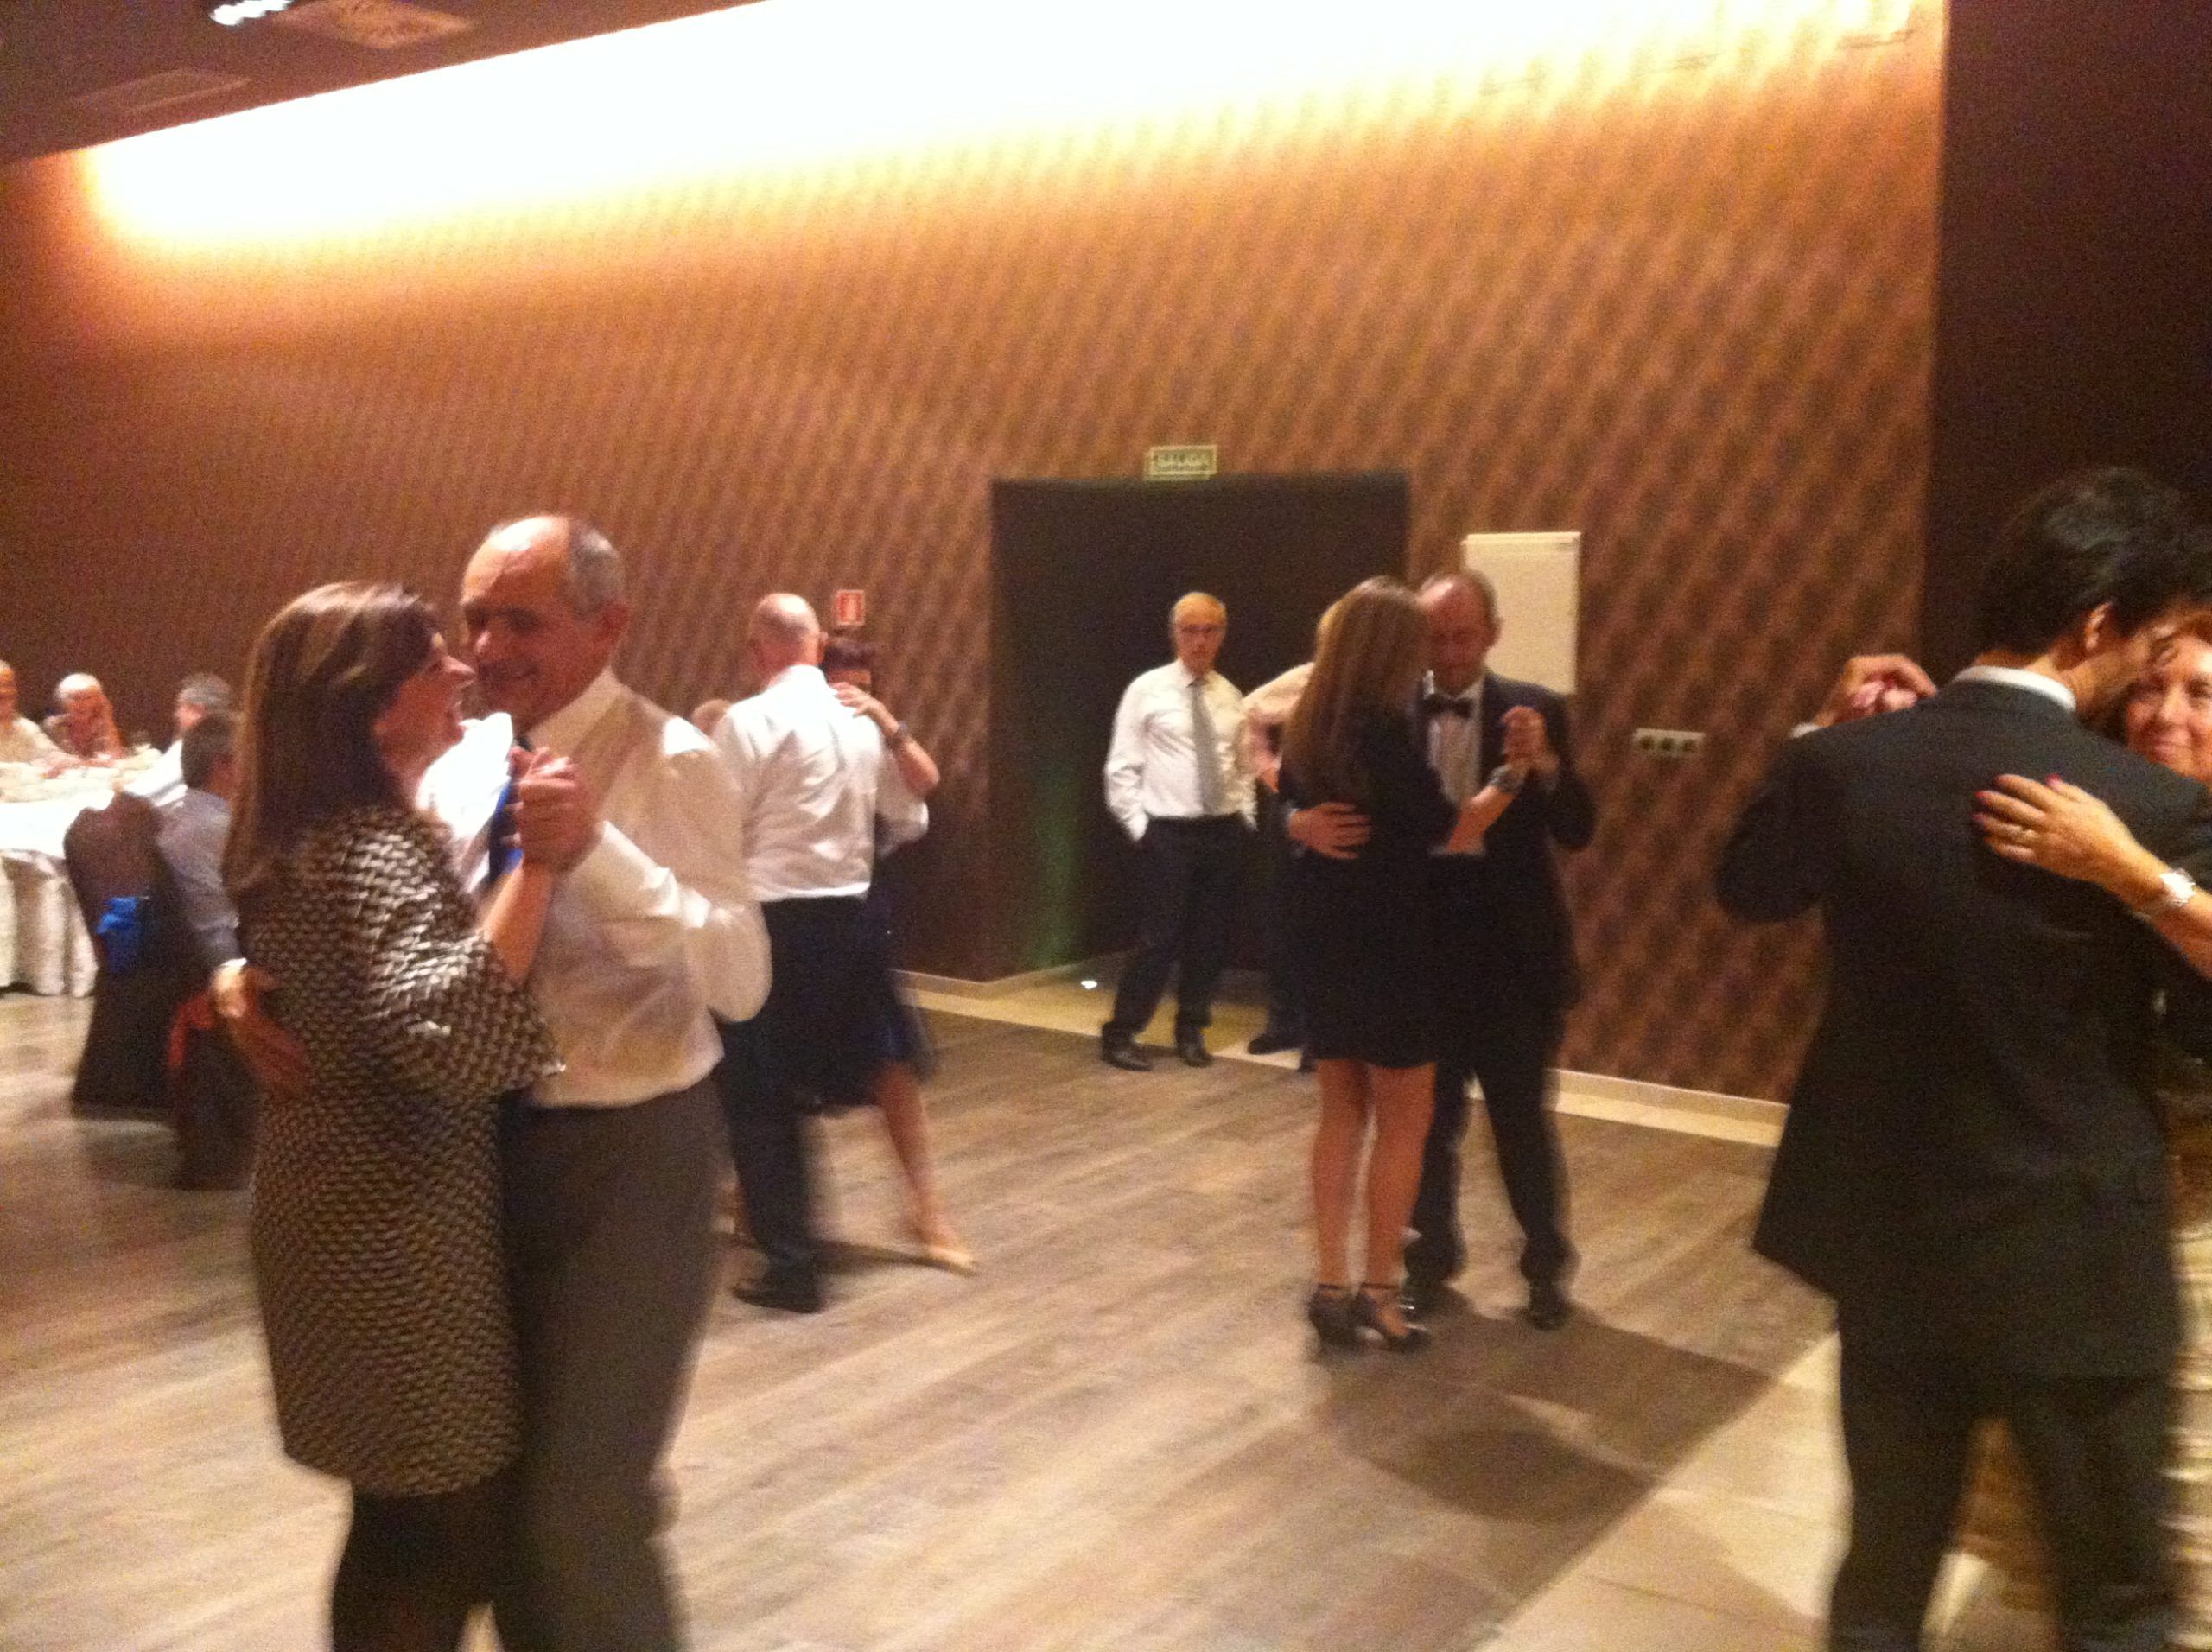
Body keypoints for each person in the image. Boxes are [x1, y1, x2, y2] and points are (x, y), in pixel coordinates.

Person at [224, 515, 771, 1652]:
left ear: (609, 626)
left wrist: (599, 854)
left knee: (580, 1506)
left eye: (522, 621)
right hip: (461, 1165)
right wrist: (245, 976)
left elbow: (742, 977)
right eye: (474, 619)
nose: (484, 649)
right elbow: (372, 923)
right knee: (475, 1491)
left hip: (620, 1155)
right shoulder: (459, 758)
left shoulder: (674, 758)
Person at [1717, 467, 2212, 1652]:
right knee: (2114, 1598)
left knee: (1885, 1570)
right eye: (2148, 651)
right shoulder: (2144, 805)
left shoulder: (1847, 767)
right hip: (2074, 1258)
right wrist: (2142, 881)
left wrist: (1818, 737)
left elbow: (1748, 887)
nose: (2148, 682)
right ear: (2095, 625)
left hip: (1894, 1240)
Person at [224, 582, 565, 1652]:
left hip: (329, 1211)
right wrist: (542, 865)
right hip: (395, 1231)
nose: (463, 669)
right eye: (430, 664)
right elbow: (454, 1034)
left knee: (391, 1517)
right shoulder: (376, 842)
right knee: (439, 1527)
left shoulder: (299, 832)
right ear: (369, 711)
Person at [1279, 578, 1520, 1353]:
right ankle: (1381, 1292)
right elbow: (1453, 829)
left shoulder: (1311, 724)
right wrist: (1511, 775)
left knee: (1339, 1114)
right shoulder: (1384, 733)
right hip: (1390, 945)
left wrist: (1294, 822)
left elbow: (1280, 790)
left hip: (1325, 940)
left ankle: (1330, 1283)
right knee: (1404, 1125)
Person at [712, 597, 956, 1313]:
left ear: (757, 651)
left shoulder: (747, 721)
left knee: (762, 1094)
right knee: (863, 1070)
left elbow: (719, 829)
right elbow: (908, 814)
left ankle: (793, 1265)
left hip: (773, 922)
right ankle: (890, 1221)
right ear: (816, 649)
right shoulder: (859, 723)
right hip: (850, 920)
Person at [1100, 592, 1255, 1071]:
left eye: (1210, 630)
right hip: (1167, 833)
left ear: (1222, 635)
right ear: (1174, 634)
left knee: (1209, 939)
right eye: (1190, 630)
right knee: (1158, 939)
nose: (1200, 640)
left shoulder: (1231, 695)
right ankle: (1122, 1032)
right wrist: (1140, 829)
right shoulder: (1146, 689)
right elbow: (1121, 766)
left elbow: (1242, 765)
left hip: (1222, 831)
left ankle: (1191, 1030)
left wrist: (1246, 817)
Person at [1238, 658, 1316, 1059]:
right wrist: (1268, 768)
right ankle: (1284, 1024)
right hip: (1294, 802)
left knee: (1326, 925)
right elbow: (1249, 710)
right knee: (1282, 913)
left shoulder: (1375, 685)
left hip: (1343, 802)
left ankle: (1320, 1035)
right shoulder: (1307, 678)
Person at [155, 707, 242, 974]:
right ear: (223, 767)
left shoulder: (188, 814)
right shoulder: (215, 828)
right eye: (252, 756)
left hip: (222, 948)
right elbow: (221, 928)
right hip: (230, 962)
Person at [133, 672, 235, 806]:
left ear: (198, 711)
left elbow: (135, 793)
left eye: (181, 707)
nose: (176, 715)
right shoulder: (232, 743)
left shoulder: (190, 748)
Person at [44, 671, 124, 762]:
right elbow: (47, 760)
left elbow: (117, 758)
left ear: (99, 701)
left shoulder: (103, 726)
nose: (83, 705)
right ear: (63, 701)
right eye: (75, 698)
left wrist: (107, 716)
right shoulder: (54, 727)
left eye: (88, 698)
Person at [0, 659, 63, 766]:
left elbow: (50, 755)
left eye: (9, 685)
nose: (4, 691)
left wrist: (66, 762)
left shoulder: (26, 727)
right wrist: (30, 768)